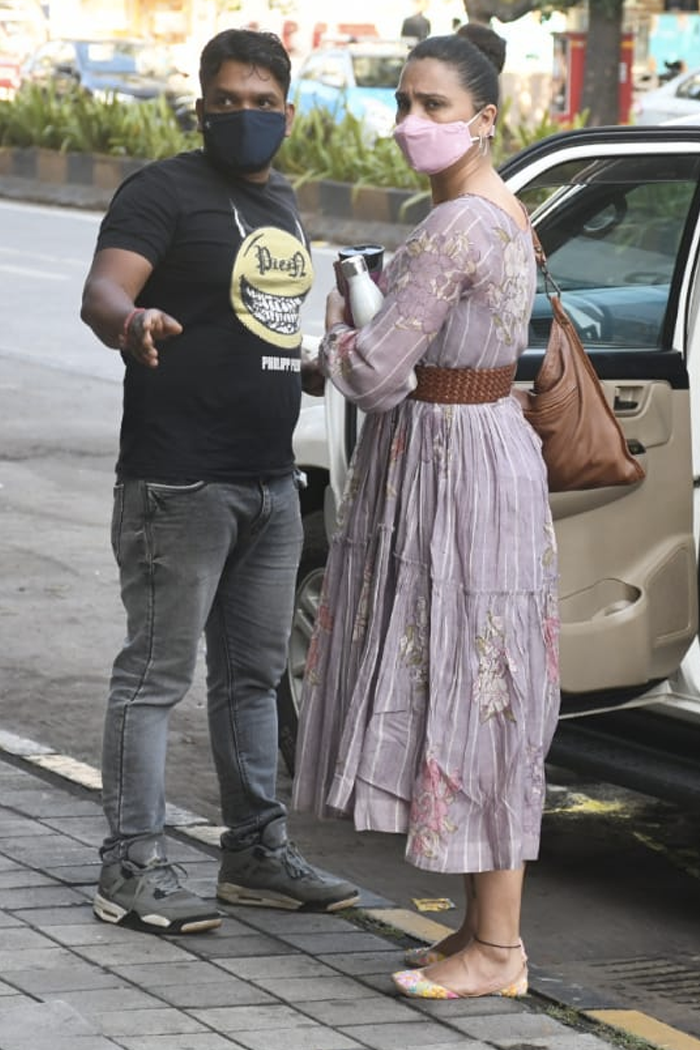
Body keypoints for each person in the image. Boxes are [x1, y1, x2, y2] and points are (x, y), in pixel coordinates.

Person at [292, 31, 560, 999]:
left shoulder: (453, 226)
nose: (411, 123)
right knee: (476, 680)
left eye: (433, 107)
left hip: (453, 462)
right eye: (404, 103)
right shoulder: (494, 208)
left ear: (485, 119)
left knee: (479, 687)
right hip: (476, 448)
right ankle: (477, 931)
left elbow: (372, 371)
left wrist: (334, 333)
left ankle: (499, 950)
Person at [80, 27, 359, 935]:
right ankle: (130, 862)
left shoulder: (281, 203)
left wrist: (307, 363)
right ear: (201, 107)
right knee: (153, 678)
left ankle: (255, 853)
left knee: (251, 678)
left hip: (271, 481)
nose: (245, 117)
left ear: (289, 111)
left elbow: (264, 322)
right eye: (227, 102)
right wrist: (134, 321)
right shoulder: (162, 191)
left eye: (262, 103)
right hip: (180, 480)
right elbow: (102, 293)